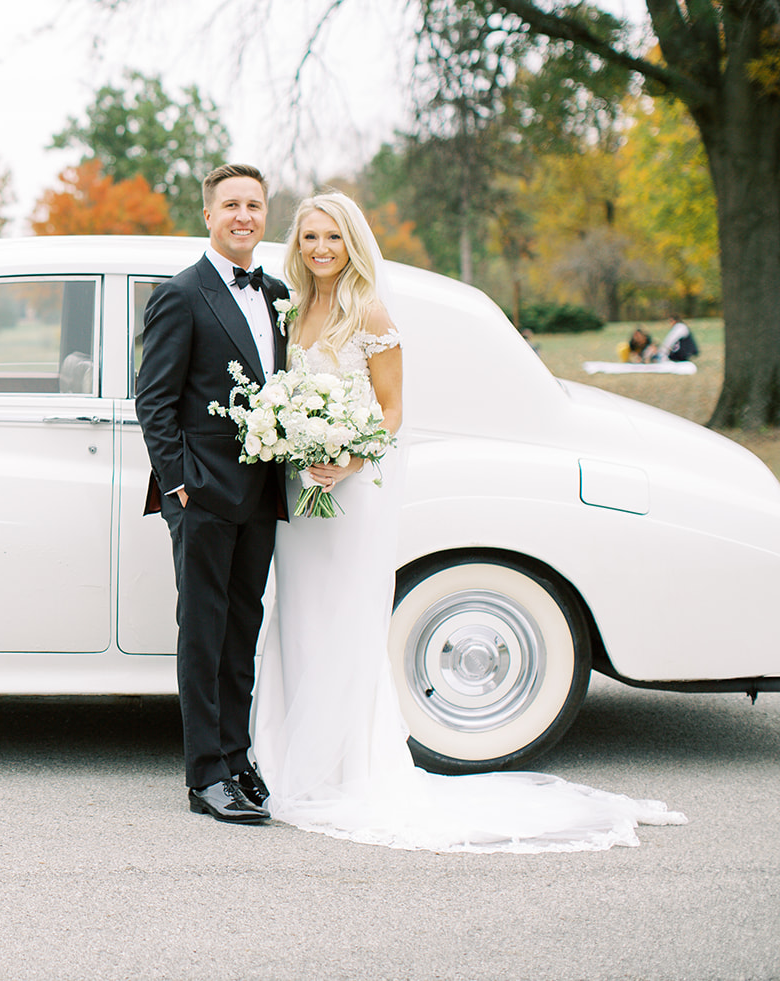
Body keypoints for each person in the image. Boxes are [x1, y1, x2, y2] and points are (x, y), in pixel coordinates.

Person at [249, 190, 687, 851]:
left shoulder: (368, 310)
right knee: (299, 612)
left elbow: (392, 411)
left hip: (349, 489)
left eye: (331, 238)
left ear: (351, 244)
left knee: (343, 616)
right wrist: (296, 442)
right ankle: (291, 754)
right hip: (302, 492)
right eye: (309, 237)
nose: (319, 248)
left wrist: (344, 453)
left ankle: (343, 767)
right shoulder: (295, 307)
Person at [135, 163, 289, 824]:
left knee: (243, 628)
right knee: (204, 631)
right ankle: (206, 777)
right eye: (231, 204)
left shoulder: (279, 291)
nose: (243, 215)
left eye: (253, 204)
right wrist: (179, 486)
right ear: (209, 214)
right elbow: (154, 401)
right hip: (201, 495)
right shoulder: (183, 293)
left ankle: (238, 756)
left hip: (261, 492)